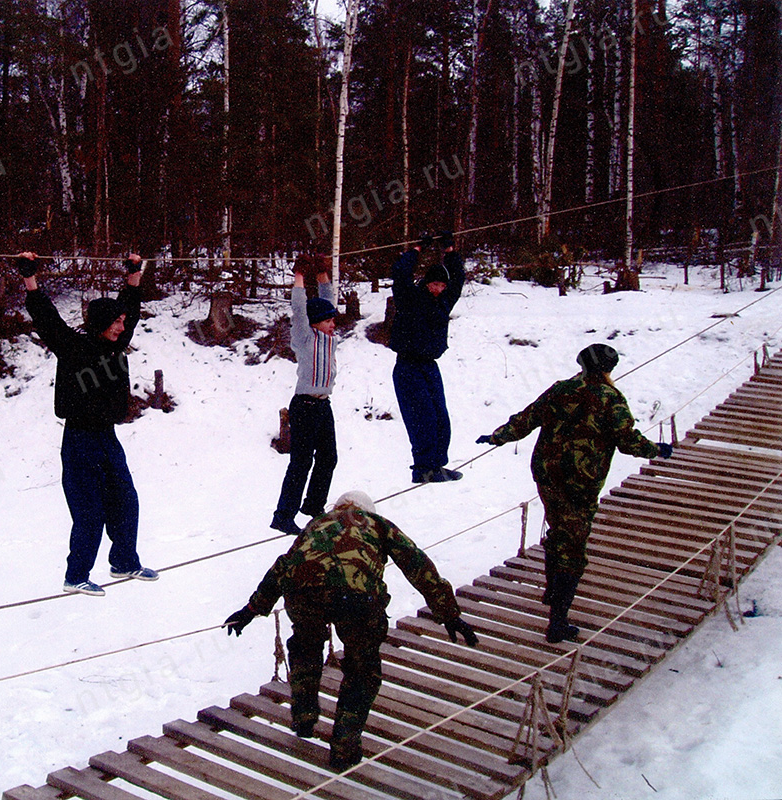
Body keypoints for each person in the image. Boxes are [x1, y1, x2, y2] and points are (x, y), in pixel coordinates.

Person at [224, 491, 477, 771]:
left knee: (305, 646)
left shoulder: (317, 523)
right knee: (361, 670)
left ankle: (304, 714)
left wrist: (250, 610)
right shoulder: (377, 523)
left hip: (302, 591)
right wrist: (448, 613)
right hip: (356, 599)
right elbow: (415, 561)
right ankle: (344, 746)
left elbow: (283, 565)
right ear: (368, 509)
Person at [476, 343, 672, 643]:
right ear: (610, 368)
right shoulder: (611, 398)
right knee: (573, 548)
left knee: (558, 533)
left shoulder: (561, 389)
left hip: (547, 475)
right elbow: (627, 440)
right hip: (581, 483)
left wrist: (497, 436)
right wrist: (656, 450)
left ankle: (552, 594)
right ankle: (558, 621)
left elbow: (527, 418)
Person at [17, 252, 158, 597]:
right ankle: (76, 575)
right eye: (116, 322)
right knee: (89, 511)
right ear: (100, 323)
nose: (122, 327)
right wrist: (29, 278)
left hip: (107, 438)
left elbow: (131, 310)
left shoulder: (116, 345)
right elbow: (46, 318)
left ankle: (124, 561)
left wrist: (133, 275)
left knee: (126, 500)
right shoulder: (73, 347)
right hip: (79, 440)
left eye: (123, 323)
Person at [388, 231, 465, 483]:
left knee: (441, 417)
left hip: (429, 365)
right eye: (434, 284)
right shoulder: (409, 298)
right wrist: (418, 249)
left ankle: (437, 465)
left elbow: (459, 279)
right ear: (426, 282)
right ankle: (422, 468)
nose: (438, 289)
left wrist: (449, 250)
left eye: (442, 286)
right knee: (422, 418)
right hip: (408, 366)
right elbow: (400, 273)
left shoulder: (444, 302)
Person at [270, 255, 339, 537]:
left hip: (323, 406)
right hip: (304, 406)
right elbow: (300, 309)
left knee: (328, 458)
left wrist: (322, 274)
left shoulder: (331, 337)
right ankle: (283, 516)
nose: (333, 324)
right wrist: (299, 275)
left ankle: (312, 506)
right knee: (301, 462)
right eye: (327, 320)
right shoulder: (304, 336)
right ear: (314, 323)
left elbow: (327, 299)